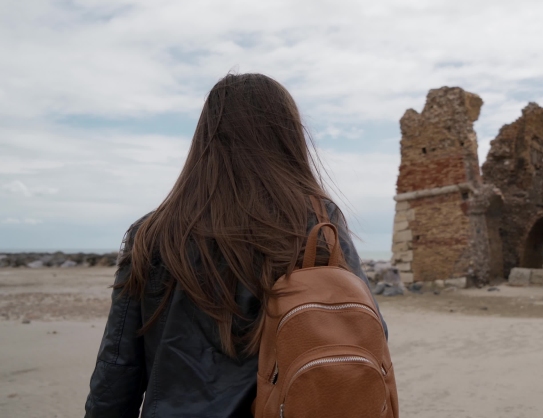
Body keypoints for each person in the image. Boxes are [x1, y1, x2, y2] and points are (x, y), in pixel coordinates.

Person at [84, 73, 386, 417]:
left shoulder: (151, 234)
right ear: (288, 136)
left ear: (206, 136)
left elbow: (117, 368)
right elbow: (370, 330)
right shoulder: (317, 223)